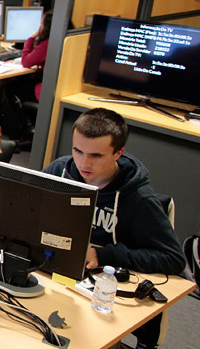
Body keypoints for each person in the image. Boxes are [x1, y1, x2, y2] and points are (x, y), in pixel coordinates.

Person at [43, 108, 185, 275]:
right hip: (57, 261)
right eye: (78, 151)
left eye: (96, 155)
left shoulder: (138, 197)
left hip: (105, 277)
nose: (84, 163)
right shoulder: (59, 171)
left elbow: (173, 258)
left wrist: (105, 255)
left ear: (118, 153)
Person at [20, 10, 53, 101]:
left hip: (46, 91)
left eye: (42, 23)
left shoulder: (47, 44)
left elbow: (26, 62)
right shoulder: (65, 41)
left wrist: (31, 38)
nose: (40, 26)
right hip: (57, 87)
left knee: (11, 86)